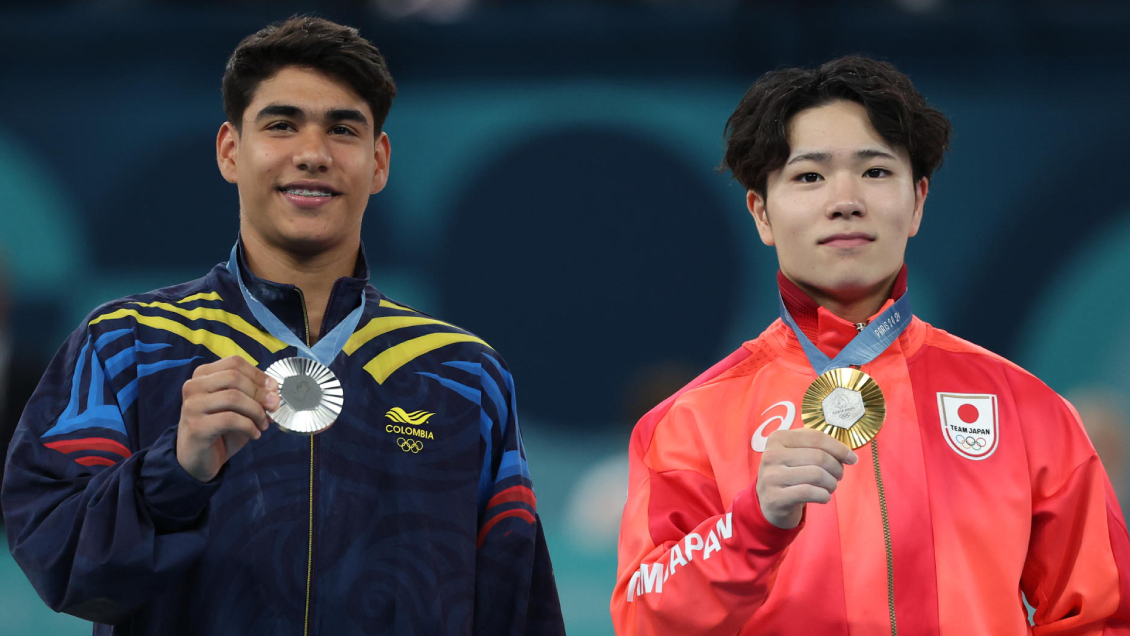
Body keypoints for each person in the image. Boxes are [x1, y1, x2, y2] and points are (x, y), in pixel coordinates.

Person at [2, 16, 563, 635]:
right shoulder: (126, 345)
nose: (313, 154)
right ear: (230, 151)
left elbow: (518, 609)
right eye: (281, 125)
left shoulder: (463, 375)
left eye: (342, 129)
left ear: (378, 162)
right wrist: (175, 471)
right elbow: (61, 562)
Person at [610, 56, 1130, 634]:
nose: (846, 200)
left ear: (919, 201)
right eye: (809, 177)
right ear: (761, 213)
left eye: (876, 171)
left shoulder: (1027, 408)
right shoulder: (686, 425)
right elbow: (644, 620)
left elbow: (1103, 616)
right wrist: (751, 524)